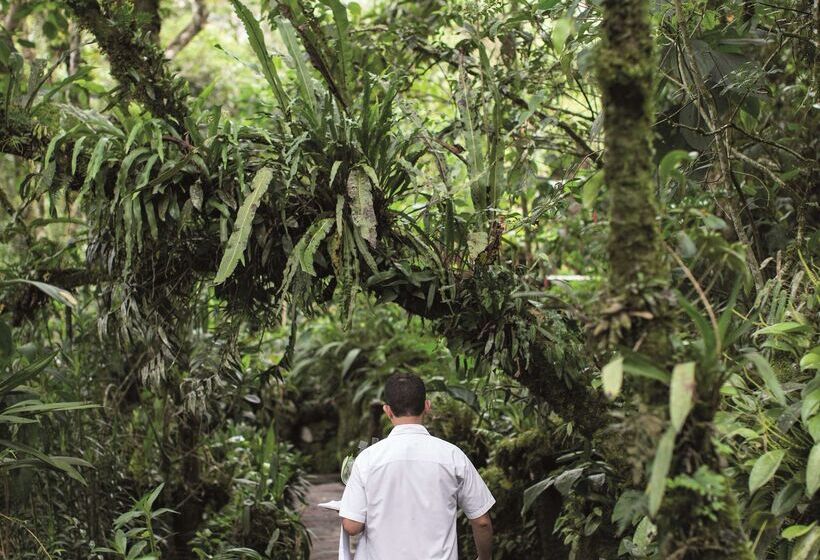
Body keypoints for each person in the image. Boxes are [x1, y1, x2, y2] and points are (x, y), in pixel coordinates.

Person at [339, 372, 495, 560]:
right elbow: (482, 522)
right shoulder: (453, 456)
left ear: (387, 410)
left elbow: (352, 526)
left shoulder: (368, 459)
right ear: (427, 406)